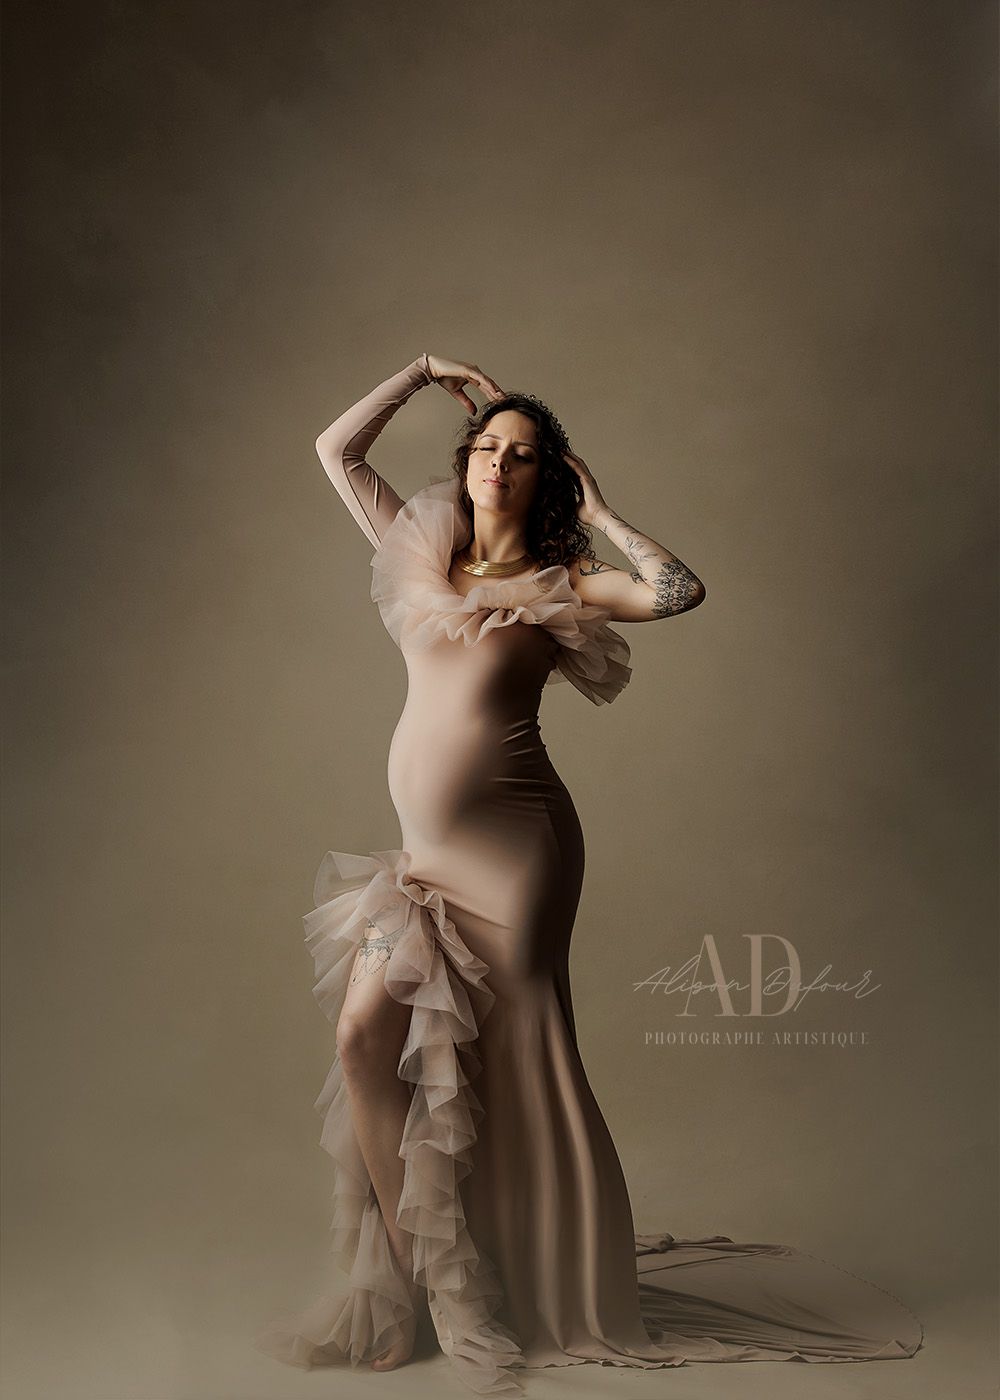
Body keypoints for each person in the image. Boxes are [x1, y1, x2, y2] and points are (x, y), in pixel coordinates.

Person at [254, 353, 924, 1395]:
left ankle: (516, 1278)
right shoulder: (416, 551)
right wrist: (423, 371)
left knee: (511, 1053)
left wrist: (603, 511)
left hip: (520, 854)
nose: (497, 464)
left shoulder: (564, 582)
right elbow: (335, 450)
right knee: (363, 1040)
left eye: (522, 455)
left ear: (548, 476)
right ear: (464, 461)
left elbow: (678, 591)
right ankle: (426, 1283)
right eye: (485, 447)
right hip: (422, 859)